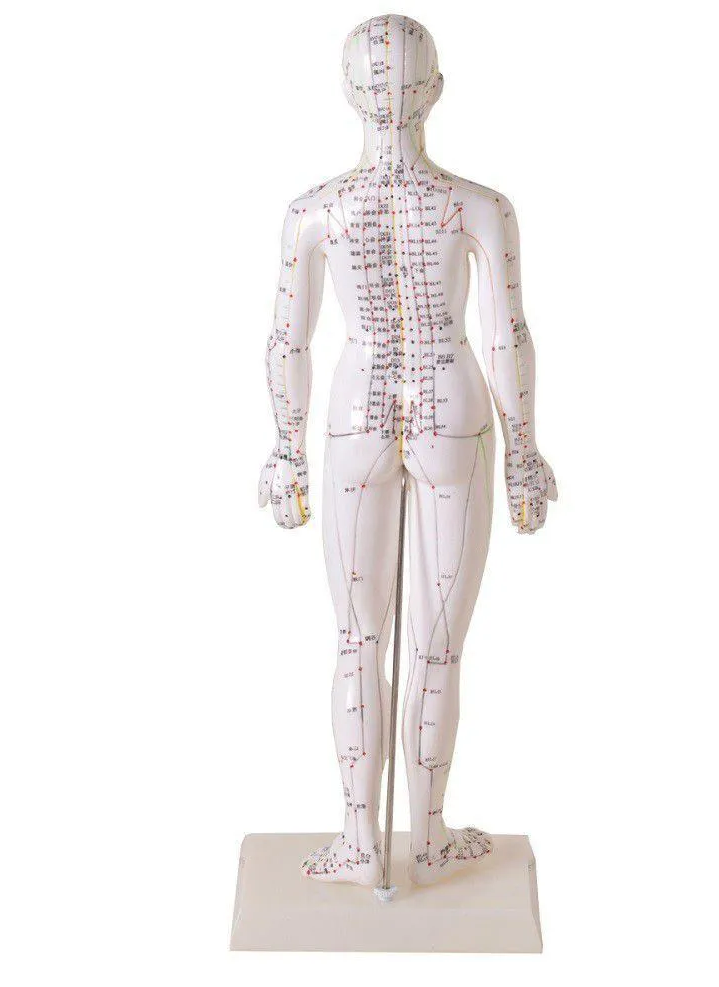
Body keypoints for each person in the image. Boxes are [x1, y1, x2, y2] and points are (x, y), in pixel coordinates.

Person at [258, 14, 556, 886]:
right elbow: (504, 334)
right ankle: (422, 835)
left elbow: (287, 340)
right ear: (436, 92)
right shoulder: (479, 206)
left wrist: (286, 448)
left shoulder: (314, 211)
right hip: (450, 406)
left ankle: (363, 840)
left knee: (359, 638)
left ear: (348, 93)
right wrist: (524, 451)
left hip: (357, 410)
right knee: (436, 643)